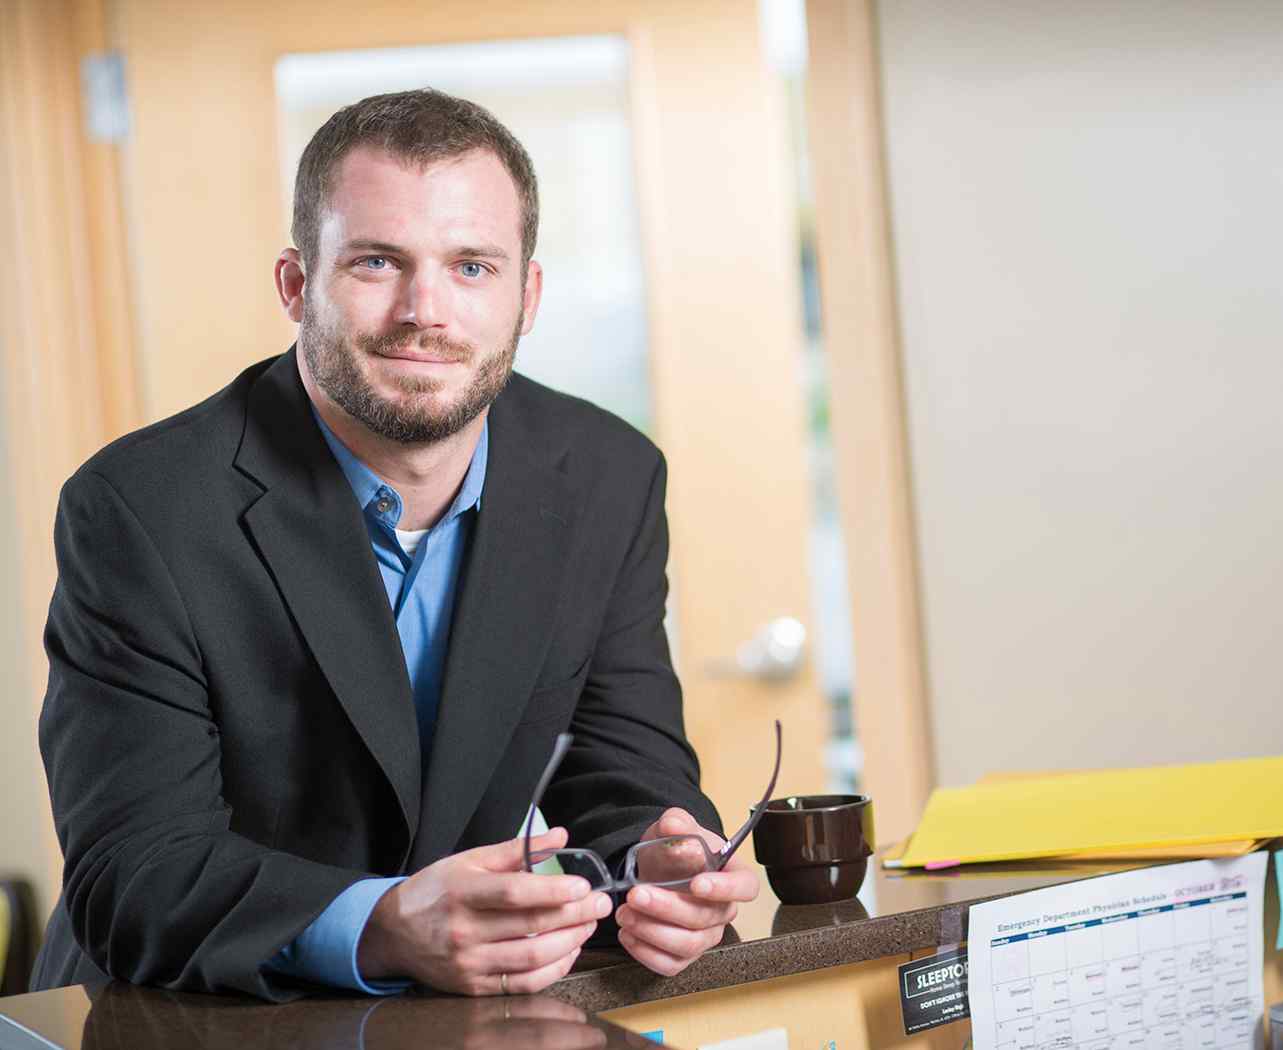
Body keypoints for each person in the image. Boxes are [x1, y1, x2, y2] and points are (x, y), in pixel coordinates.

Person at [31, 88, 757, 1002]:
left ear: (527, 295)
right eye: (378, 261)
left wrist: (664, 856)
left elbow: (616, 763)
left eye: (472, 267)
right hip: (182, 1015)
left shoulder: (610, 475)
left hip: (465, 1013)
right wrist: (379, 926)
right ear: (297, 286)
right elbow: (134, 871)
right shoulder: (141, 507)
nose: (427, 310)